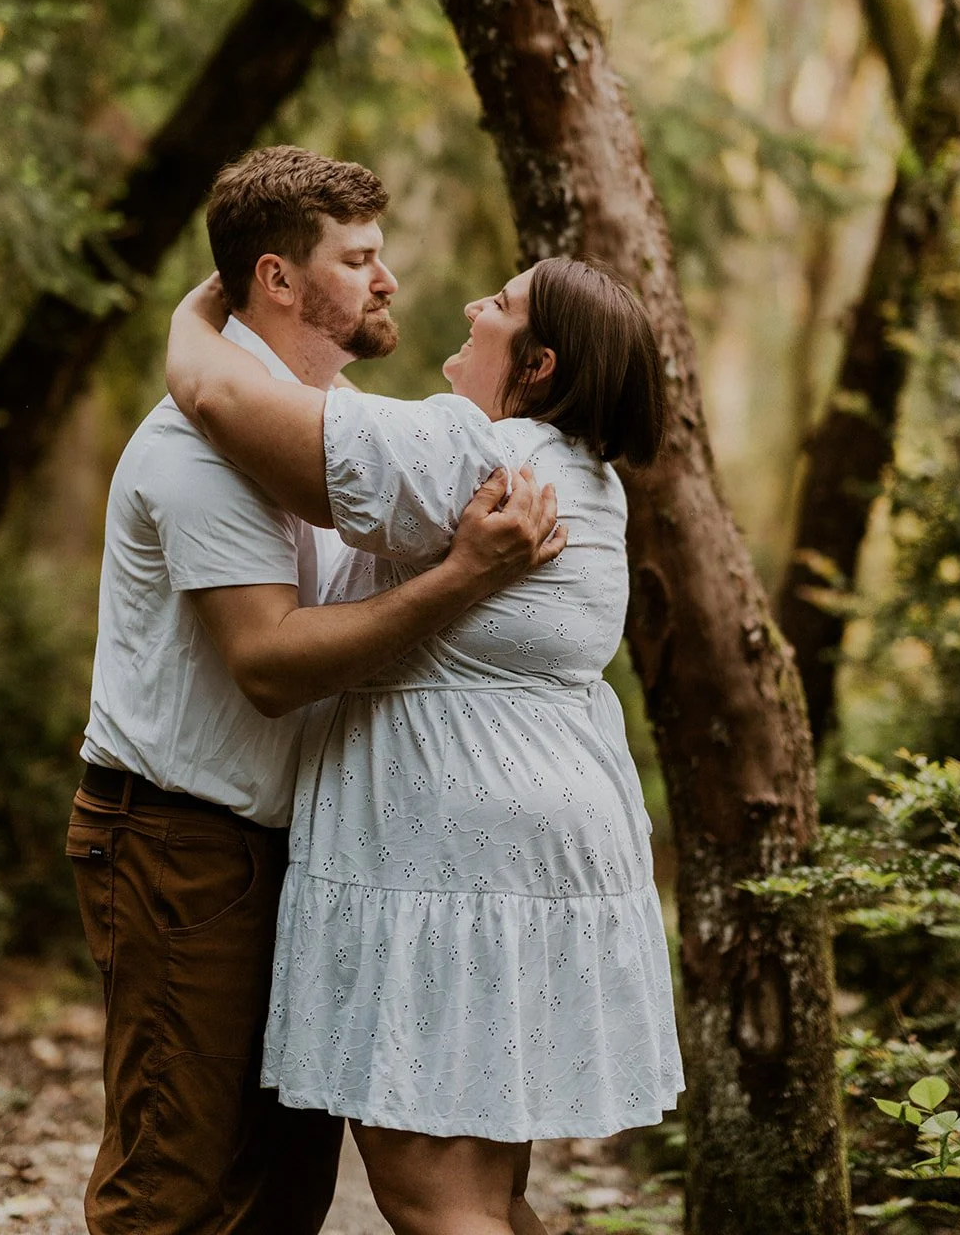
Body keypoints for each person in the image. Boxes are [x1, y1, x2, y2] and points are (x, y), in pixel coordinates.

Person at [70, 145, 565, 1235]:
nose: (387, 280)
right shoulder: (196, 451)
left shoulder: (333, 430)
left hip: (300, 852)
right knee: (175, 1176)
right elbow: (268, 665)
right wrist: (463, 573)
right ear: (276, 279)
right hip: (178, 842)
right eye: (358, 257)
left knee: (282, 1191)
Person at [165, 253, 685, 1235]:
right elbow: (348, 420)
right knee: (491, 1196)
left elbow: (214, 394)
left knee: (431, 1198)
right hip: (540, 851)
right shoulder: (585, 478)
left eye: (499, 303)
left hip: (447, 859)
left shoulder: (468, 452)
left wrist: (210, 298)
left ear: (534, 365)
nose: (469, 305)